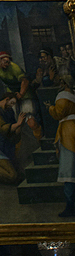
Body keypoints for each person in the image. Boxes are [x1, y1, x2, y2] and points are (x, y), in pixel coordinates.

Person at [48, 77, 75, 217]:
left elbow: (59, 113)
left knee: (69, 171)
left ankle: (71, 207)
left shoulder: (63, 97)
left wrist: (50, 108)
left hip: (67, 133)